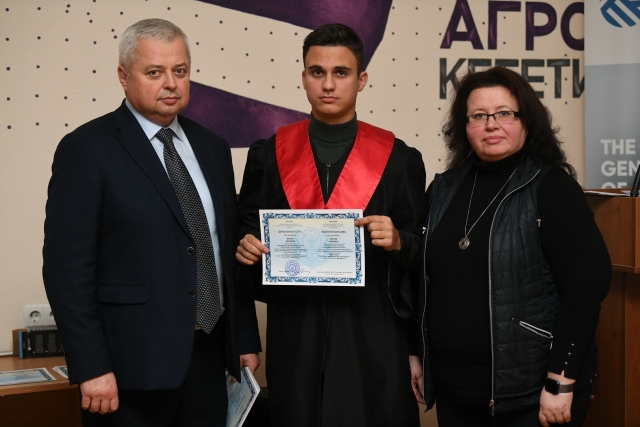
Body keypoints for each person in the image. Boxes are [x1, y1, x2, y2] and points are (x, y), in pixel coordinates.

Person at [42, 18, 261, 426]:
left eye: (180, 71)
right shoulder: (86, 149)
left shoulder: (212, 147)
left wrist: (244, 339)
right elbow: (66, 271)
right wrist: (91, 366)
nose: (171, 84)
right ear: (124, 77)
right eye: (155, 72)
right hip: (127, 370)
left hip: (210, 359)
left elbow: (225, 250)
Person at [235, 23, 425, 427]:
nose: (328, 84)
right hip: (295, 334)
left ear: (361, 80)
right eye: (317, 72)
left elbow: (422, 254)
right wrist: (247, 247)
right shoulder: (268, 156)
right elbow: (245, 234)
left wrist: (398, 241)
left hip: (371, 334)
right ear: (304, 77)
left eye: (341, 72)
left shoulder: (398, 159)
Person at [417, 66, 611, 426]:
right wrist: (417, 352)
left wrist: (561, 380)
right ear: (464, 126)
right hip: (454, 391)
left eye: (504, 113)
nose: (491, 125)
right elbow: (424, 281)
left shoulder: (552, 188)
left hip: (531, 395)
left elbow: (586, 288)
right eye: (479, 116)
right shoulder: (442, 190)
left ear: (527, 121)